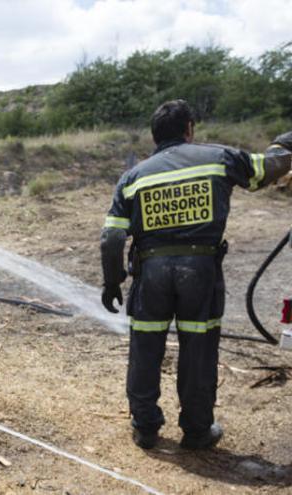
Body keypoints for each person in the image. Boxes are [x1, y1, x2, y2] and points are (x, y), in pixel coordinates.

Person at [100, 99, 292, 451]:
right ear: (189, 128)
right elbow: (268, 168)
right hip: (200, 273)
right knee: (198, 351)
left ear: (155, 136)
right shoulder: (219, 157)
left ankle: (145, 426)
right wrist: (285, 144)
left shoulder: (134, 176)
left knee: (145, 349)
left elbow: (113, 237)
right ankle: (198, 430)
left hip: (151, 275)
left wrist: (112, 281)